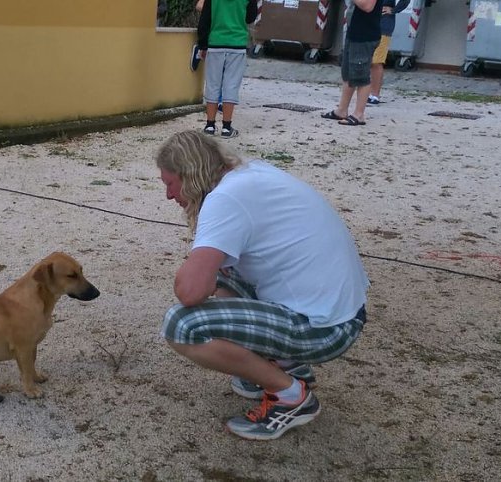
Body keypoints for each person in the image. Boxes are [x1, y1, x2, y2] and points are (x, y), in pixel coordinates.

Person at [155, 131, 370, 441]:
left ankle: (291, 397)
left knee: (181, 325)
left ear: (191, 175)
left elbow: (190, 291)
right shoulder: (249, 173)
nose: (169, 195)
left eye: (170, 183)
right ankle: (283, 366)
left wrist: (191, 264)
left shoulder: (224, 199)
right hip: (342, 312)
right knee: (223, 273)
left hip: (325, 328)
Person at [196, 0, 259, 138]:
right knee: (231, 85)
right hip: (237, 43)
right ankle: (226, 127)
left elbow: (205, 19)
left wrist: (203, 44)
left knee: (212, 84)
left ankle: (210, 126)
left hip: (215, 43)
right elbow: (250, 18)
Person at [321, 0, 381, 126]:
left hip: (365, 35)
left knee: (361, 75)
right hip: (353, 32)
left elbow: (367, 6)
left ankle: (359, 115)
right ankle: (341, 110)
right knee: (348, 73)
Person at [368, 0, 411, 104]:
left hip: (383, 25)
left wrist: (394, 10)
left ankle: (374, 94)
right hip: (368, 23)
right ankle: (367, 92)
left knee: (376, 61)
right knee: (368, 60)